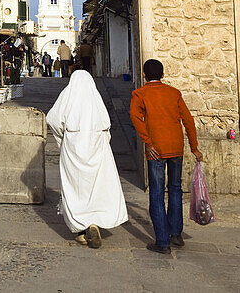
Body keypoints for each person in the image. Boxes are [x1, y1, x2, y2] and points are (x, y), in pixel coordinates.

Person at [47, 68, 128, 249]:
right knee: (96, 185)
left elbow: (52, 119)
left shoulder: (68, 95)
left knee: (75, 186)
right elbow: (106, 125)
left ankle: (82, 226)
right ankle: (93, 222)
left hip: (73, 146)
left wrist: (63, 139)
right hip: (97, 146)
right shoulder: (95, 98)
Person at [130, 59, 202, 255]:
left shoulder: (140, 94)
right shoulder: (174, 93)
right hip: (176, 147)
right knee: (175, 189)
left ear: (144, 75)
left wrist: (148, 141)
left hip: (156, 150)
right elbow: (188, 120)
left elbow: (135, 117)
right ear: (163, 75)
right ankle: (176, 234)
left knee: (157, 193)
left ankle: (162, 241)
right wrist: (194, 147)